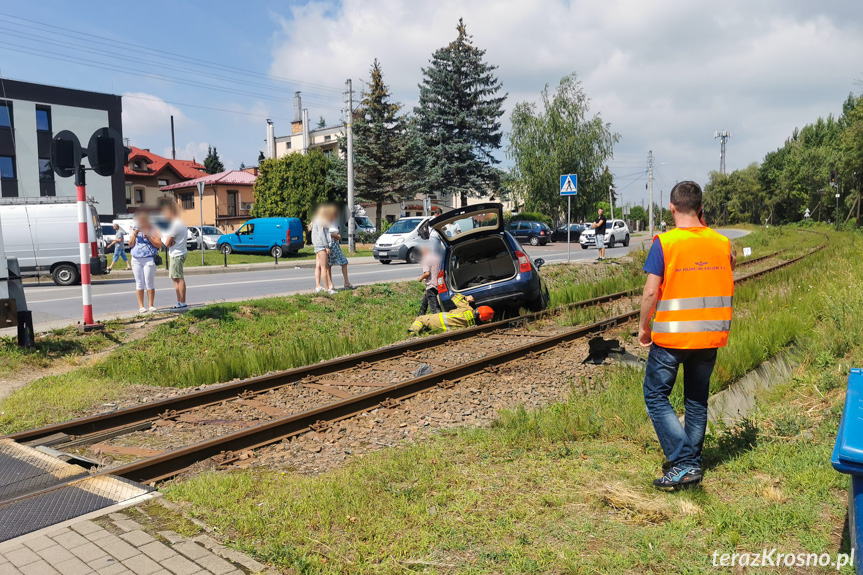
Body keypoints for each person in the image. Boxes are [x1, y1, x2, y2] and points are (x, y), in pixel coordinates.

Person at [637, 181, 736, 489]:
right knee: (696, 400)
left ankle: (684, 462)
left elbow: (651, 292)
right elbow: (727, 270)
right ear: (700, 207)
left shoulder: (665, 243)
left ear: (672, 207)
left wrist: (644, 329)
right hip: (709, 337)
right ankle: (691, 461)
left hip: (672, 338)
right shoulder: (722, 243)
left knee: (655, 395)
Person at [408, 293, 494, 334]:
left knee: (420, 319)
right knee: (427, 330)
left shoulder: (467, 309)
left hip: (437, 319)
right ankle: (421, 332)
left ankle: (412, 333)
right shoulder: (472, 324)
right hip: (442, 328)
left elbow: (454, 296)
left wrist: (466, 298)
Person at [128, 213, 163, 313]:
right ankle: (141, 306)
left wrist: (148, 236)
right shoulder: (135, 230)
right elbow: (130, 244)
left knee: (149, 281)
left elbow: (159, 244)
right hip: (136, 258)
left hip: (149, 258)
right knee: (139, 282)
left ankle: (151, 305)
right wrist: (134, 234)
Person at [161, 203, 188, 309]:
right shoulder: (178, 223)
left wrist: (162, 238)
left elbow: (167, 243)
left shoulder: (175, 224)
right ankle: (180, 301)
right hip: (179, 252)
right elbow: (168, 240)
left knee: (178, 278)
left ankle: (182, 302)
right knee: (175, 278)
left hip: (177, 254)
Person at [326, 206, 354, 290]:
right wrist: (334, 235)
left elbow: (337, 233)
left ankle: (346, 282)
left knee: (344, 262)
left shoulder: (335, 222)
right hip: (329, 244)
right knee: (328, 264)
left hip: (336, 244)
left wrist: (338, 236)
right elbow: (324, 234)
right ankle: (330, 284)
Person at [310, 206, 335, 294]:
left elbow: (314, 236)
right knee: (324, 267)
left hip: (317, 246)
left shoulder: (314, 221)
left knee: (318, 266)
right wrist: (326, 246)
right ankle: (327, 288)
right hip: (322, 246)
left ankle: (318, 286)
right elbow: (322, 235)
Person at [417, 245, 441, 315]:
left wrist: (421, 278)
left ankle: (438, 321)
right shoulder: (437, 259)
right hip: (439, 284)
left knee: (434, 308)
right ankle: (420, 315)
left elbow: (427, 273)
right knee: (424, 302)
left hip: (431, 285)